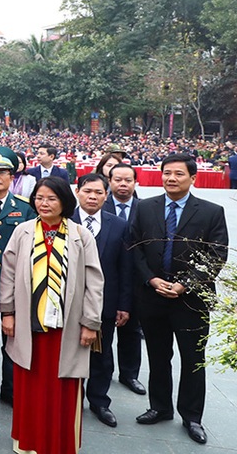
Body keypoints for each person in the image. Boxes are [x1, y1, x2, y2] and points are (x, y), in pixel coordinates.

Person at [0, 176, 104, 454]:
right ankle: (28, 442)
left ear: (64, 202)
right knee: (29, 386)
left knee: (62, 389)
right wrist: (7, 312)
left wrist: (90, 323)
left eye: (51, 198)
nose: (44, 204)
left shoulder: (80, 236)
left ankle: (60, 444)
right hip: (28, 325)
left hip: (65, 328)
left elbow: (94, 281)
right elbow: (8, 274)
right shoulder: (22, 232)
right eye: (39, 198)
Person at [131, 153, 229, 445]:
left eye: (178, 174)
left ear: (193, 178)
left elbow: (217, 255)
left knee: (192, 359)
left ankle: (192, 416)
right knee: (158, 356)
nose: (171, 179)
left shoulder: (211, 211)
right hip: (152, 296)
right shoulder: (145, 207)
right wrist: (151, 278)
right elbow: (134, 247)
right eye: (166, 173)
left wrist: (185, 285)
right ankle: (160, 407)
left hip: (191, 301)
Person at [71, 173, 132, 428]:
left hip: (105, 304)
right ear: (78, 192)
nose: (92, 197)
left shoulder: (118, 225)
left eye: (98, 192)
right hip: (68, 304)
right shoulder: (64, 220)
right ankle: (71, 400)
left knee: (102, 355)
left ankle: (99, 401)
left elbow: (125, 267)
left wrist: (124, 305)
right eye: (88, 192)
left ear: (106, 196)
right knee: (69, 354)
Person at [0, 146, 36, 404]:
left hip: (15, 285)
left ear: (13, 176)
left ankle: (11, 391)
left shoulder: (25, 208)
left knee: (13, 341)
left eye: (3, 172)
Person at [101, 162, 146, 396]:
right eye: (117, 179)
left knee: (131, 331)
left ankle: (130, 374)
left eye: (128, 180)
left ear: (135, 183)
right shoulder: (100, 206)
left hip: (136, 280)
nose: (123, 184)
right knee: (104, 333)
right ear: (109, 182)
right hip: (107, 279)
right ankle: (103, 376)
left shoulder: (146, 208)